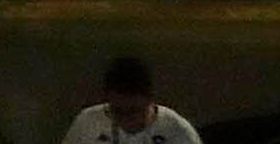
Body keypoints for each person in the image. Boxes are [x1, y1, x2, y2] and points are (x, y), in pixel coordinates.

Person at [56, 56, 205, 144]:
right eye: (117, 111)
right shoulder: (87, 124)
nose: (125, 120)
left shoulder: (177, 131)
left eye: (133, 112)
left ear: (150, 100)